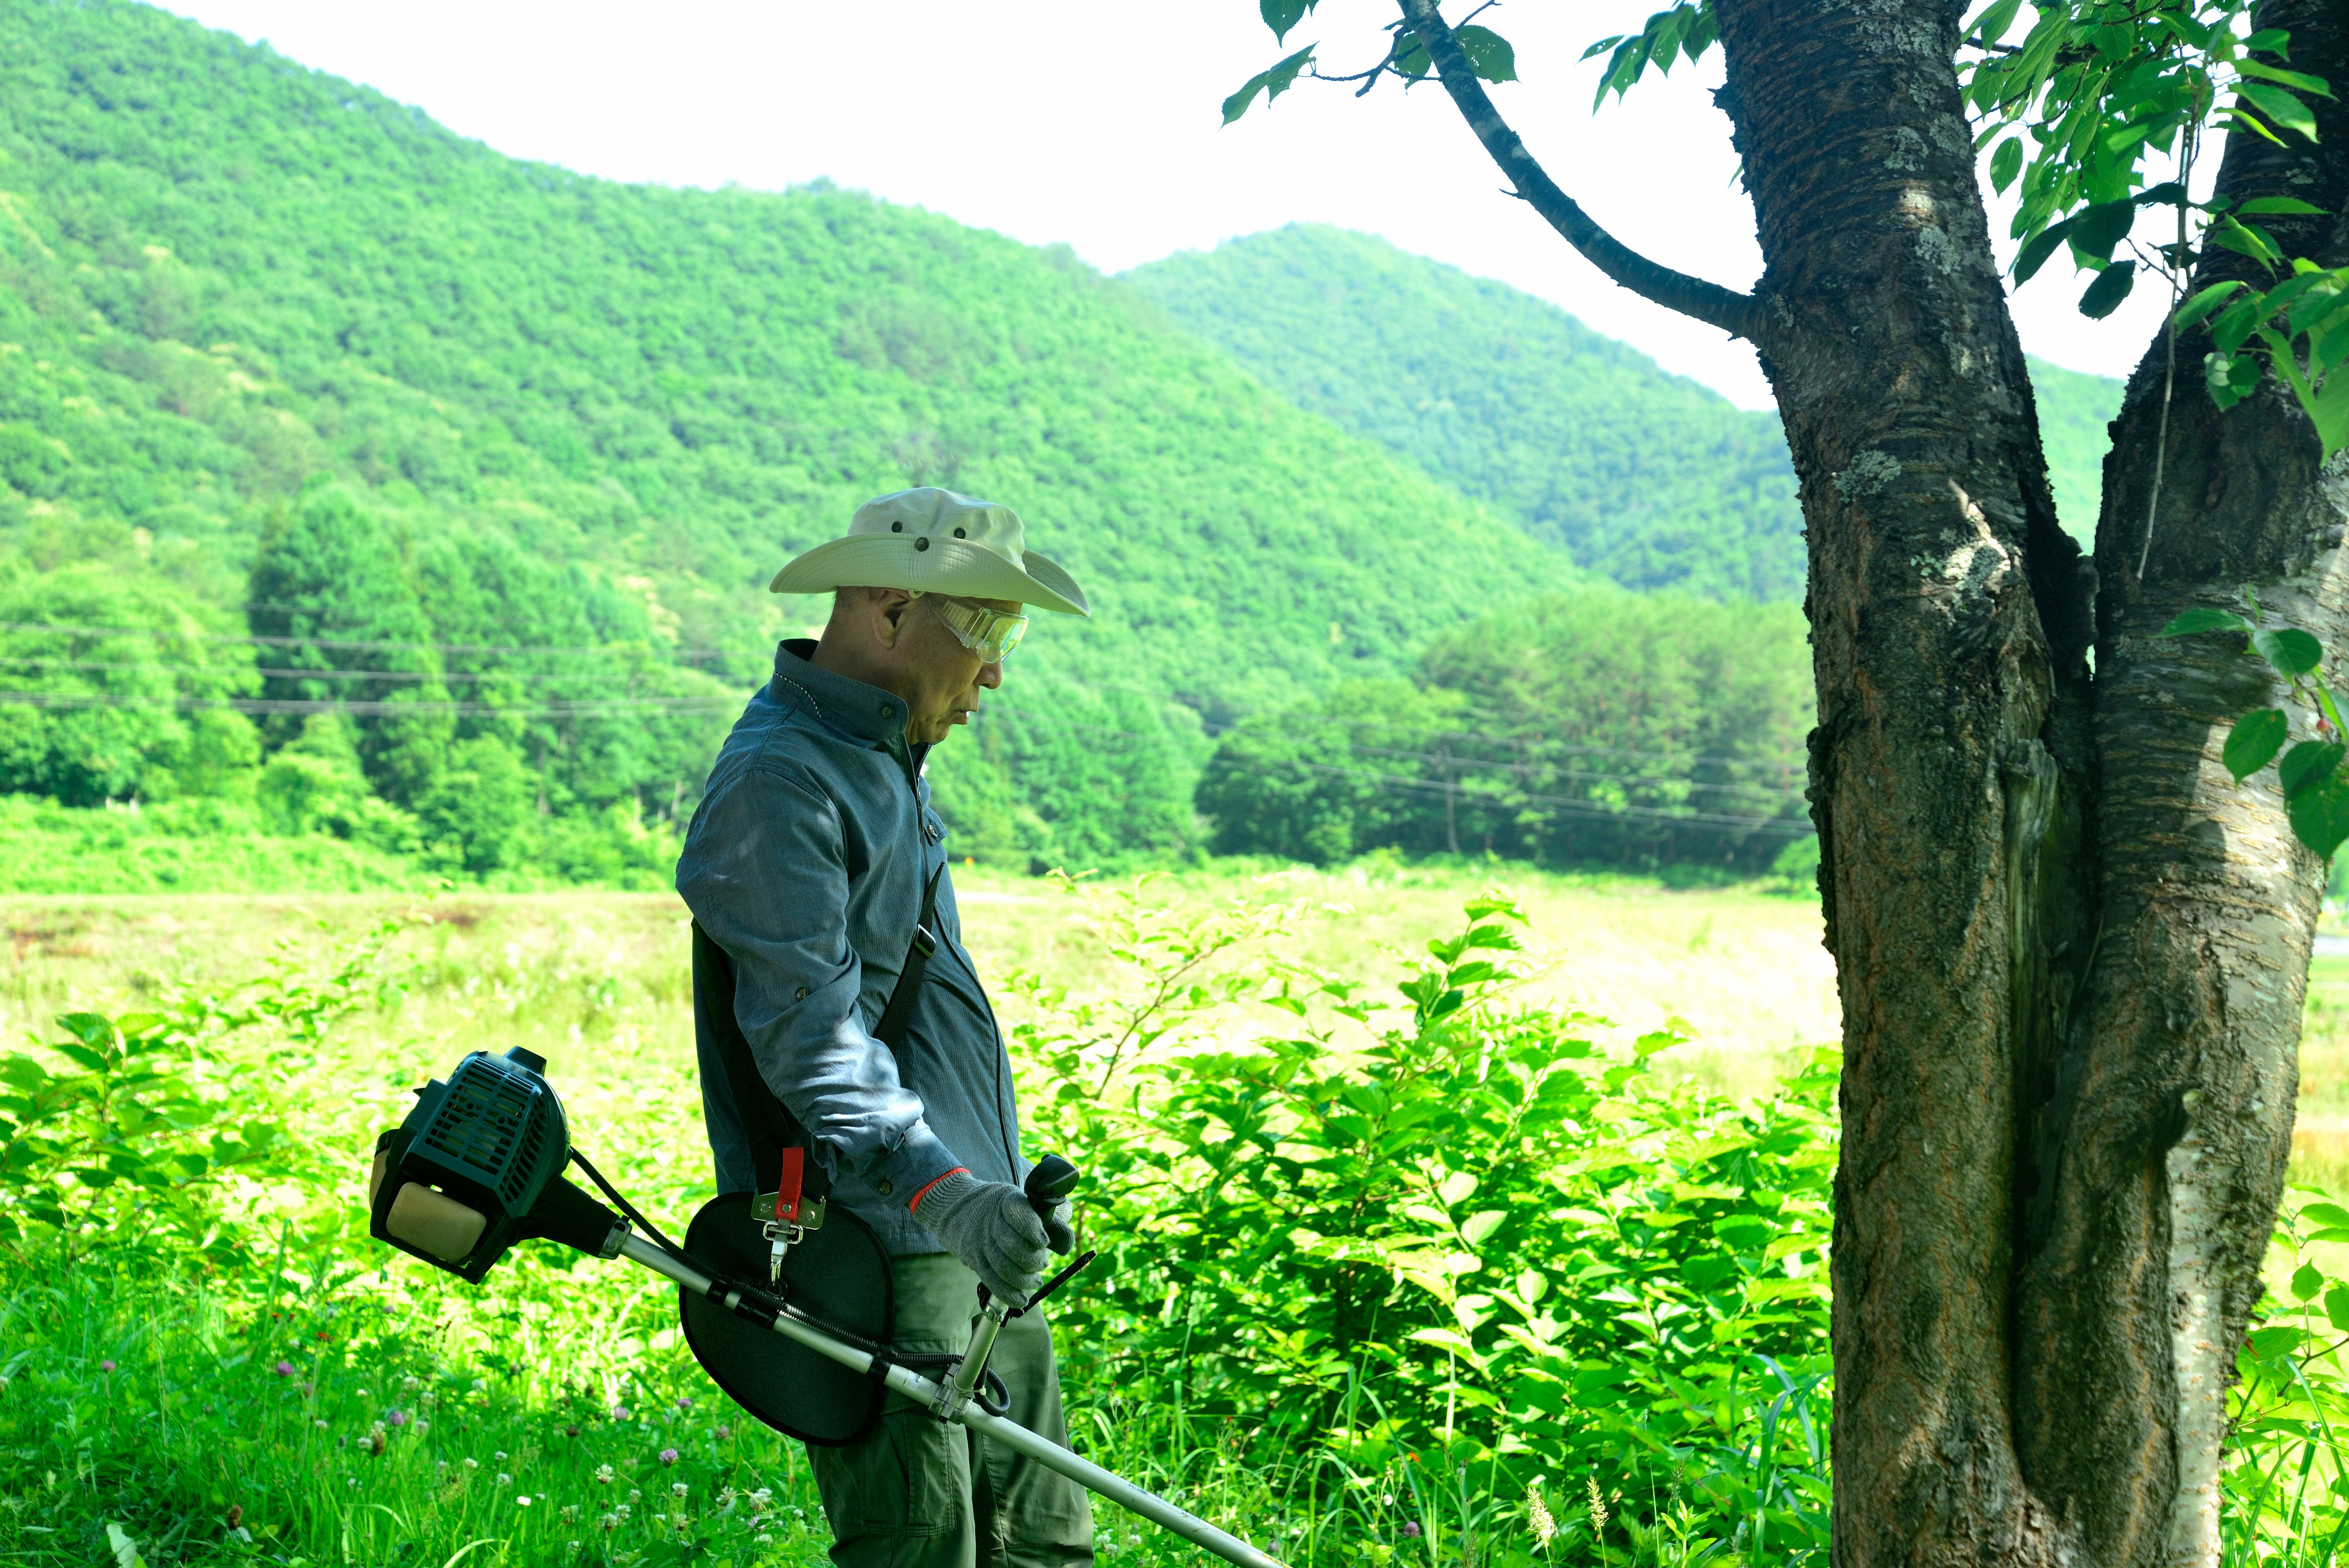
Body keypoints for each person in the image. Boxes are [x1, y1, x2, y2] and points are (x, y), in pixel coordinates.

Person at [675, 486, 1096, 1568]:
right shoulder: (781, 781)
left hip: (967, 1245)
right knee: (923, 1553)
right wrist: (947, 1197)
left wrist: (976, 1205)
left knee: (1041, 1549)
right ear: (890, 606)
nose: (997, 669)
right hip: (885, 1250)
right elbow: (813, 1045)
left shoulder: (882, 763)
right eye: (987, 629)